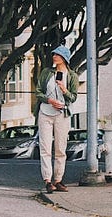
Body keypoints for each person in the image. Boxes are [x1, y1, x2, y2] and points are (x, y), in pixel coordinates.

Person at [30, 45, 78, 193]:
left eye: (57, 55)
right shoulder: (47, 73)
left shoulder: (72, 76)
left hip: (61, 114)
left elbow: (73, 97)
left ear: (64, 58)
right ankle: (47, 180)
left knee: (60, 149)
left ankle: (58, 180)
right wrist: (49, 100)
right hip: (45, 113)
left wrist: (64, 89)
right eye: (54, 54)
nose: (54, 57)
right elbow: (38, 92)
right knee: (45, 148)